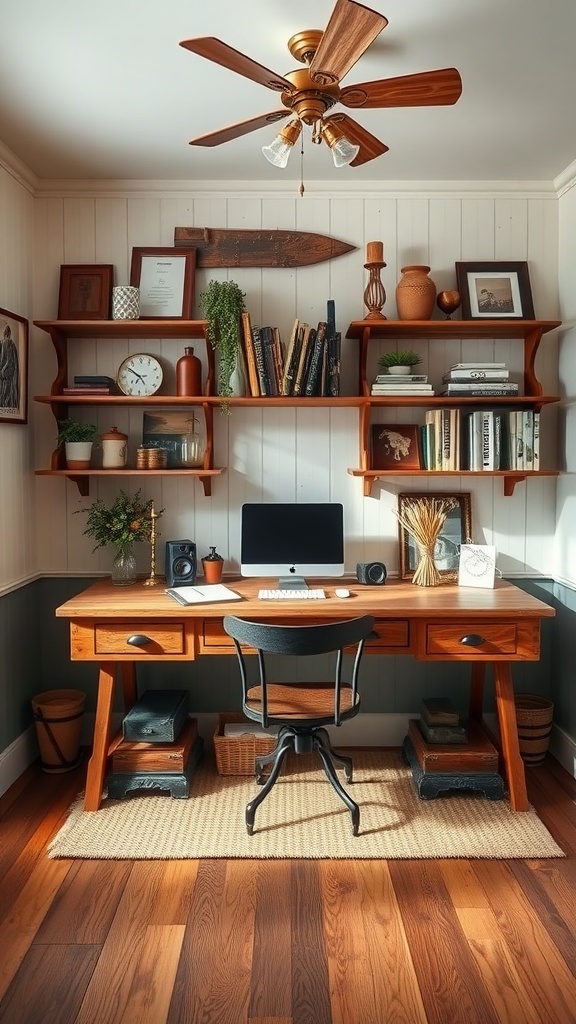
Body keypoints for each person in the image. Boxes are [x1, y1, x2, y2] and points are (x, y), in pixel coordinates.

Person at [0, 322, 20, 410]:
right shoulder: (9, 344)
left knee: (5, 392)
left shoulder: (8, 344)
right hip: (6, 374)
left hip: (6, 374)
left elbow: (10, 361)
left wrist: (3, 371)